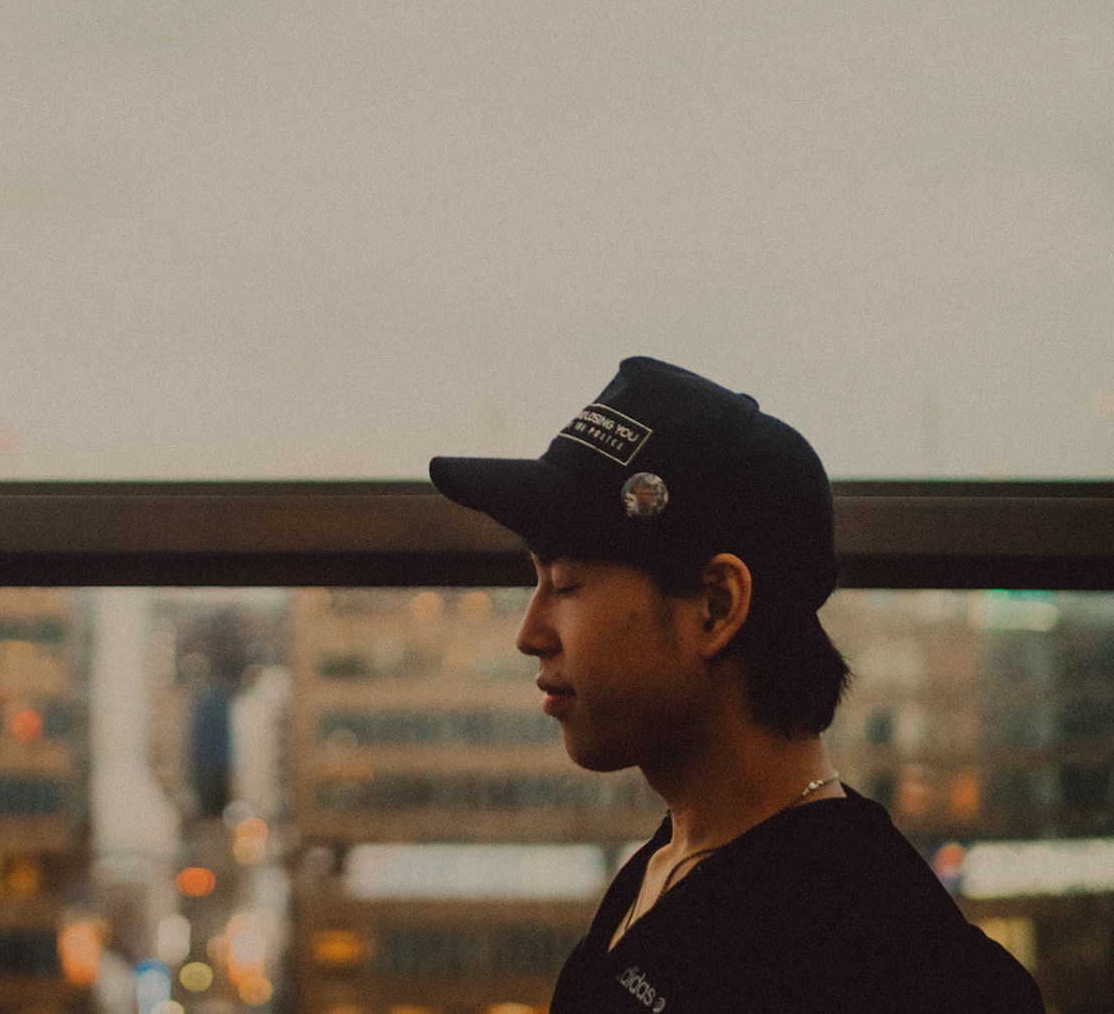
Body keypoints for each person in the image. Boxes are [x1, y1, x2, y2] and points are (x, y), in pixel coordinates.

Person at [430, 357, 1042, 1013]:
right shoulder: (673, 862)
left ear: (717, 605)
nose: (530, 632)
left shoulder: (886, 956)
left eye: (567, 584)